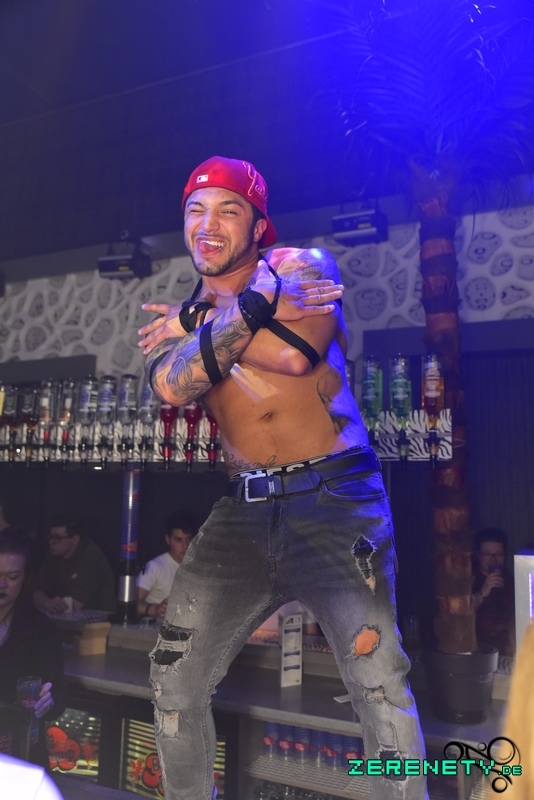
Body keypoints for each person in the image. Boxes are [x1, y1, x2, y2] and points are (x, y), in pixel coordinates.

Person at [138, 155, 426, 800]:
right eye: (195, 210)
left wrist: (199, 325)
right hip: (243, 508)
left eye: (228, 210)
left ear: (258, 225)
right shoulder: (182, 314)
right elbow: (172, 385)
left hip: (335, 497)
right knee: (174, 678)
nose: (208, 224)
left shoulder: (299, 267)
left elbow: (296, 357)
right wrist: (238, 312)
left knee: (378, 684)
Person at [0, 529, 66, 769]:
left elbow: (58, 696)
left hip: (20, 755)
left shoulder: (40, 630)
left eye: (12, 576)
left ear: (25, 578)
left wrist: (49, 699)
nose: (2, 584)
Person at [33, 515, 116, 614]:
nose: (51, 542)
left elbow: (76, 604)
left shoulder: (91, 556)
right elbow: (38, 591)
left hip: (99, 618)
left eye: (57, 538)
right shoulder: (53, 554)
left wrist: (53, 604)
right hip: (67, 617)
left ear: (75, 539)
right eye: (50, 537)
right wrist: (47, 602)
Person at [136, 512, 196, 619]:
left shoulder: (199, 568)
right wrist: (154, 609)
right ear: (168, 540)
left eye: (188, 539)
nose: (185, 545)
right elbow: (131, 603)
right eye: (178, 540)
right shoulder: (155, 567)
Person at [473, 528, 515, 656]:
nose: (493, 560)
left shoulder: (509, 580)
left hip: (508, 649)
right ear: (478, 555)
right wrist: (483, 592)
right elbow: (460, 615)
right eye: (487, 555)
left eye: (499, 554)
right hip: (480, 650)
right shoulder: (469, 579)